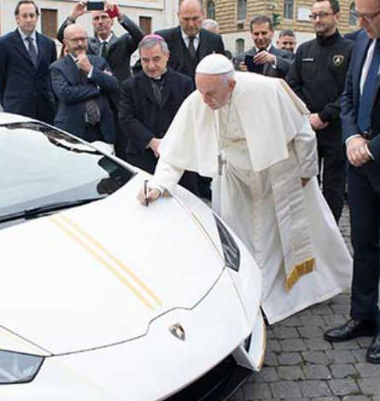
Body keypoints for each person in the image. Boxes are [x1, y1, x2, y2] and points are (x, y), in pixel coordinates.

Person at [138, 54, 352, 324]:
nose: (205, 101)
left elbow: (304, 133)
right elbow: (173, 151)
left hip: (277, 173)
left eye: (211, 94)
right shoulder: (200, 99)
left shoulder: (268, 90)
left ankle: (301, 292)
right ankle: (251, 293)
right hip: (235, 178)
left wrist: (306, 173)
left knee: (281, 236)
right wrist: (159, 185)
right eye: (201, 92)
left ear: (231, 84)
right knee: (240, 238)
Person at [324, 0, 380, 364]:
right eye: (358, 16)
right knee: (364, 244)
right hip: (359, 160)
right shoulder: (363, 40)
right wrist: (352, 139)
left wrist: (373, 147)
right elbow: (349, 95)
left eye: (368, 17)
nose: (361, 24)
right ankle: (362, 316)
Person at [287, 0, 352, 223]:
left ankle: (330, 231)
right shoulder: (304, 50)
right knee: (305, 182)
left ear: (337, 16)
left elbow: (349, 92)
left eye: (322, 15)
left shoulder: (349, 50)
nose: (317, 20)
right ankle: (309, 228)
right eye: (313, 15)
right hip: (307, 129)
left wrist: (325, 115)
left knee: (333, 188)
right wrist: (308, 115)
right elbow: (292, 86)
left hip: (335, 130)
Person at [154, 0, 226, 200]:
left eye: (195, 18)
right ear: (178, 16)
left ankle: (204, 187)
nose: (191, 23)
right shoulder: (164, 37)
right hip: (173, 108)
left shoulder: (214, 40)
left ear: (203, 16)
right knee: (178, 150)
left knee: (205, 147)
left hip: (206, 107)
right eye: (186, 19)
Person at [57, 1, 144, 159]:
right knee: (99, 150)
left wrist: (119, 14)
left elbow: (140, 36)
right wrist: (73, 16)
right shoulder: (86, 43)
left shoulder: (124, 42)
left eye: (104, 17)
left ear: (111, 21)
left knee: (123, 147)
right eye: (96, 19)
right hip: (96, 104)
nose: (100, 22)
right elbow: (63, 36)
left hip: (119, 101)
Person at [118, 35, 199, 195]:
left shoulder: (184, 83)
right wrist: (152, 142)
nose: (151, 65)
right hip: (142, 156)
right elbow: (126, 118)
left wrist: (170, 143)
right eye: (145, 60)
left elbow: (191, 119)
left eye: (156, 59)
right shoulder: (129, 86)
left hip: (179, 157)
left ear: (167, 56)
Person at [50, 24, 118, 144]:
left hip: (101, 131)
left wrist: (90, 70)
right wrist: (96, 88)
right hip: (72, 131)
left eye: (83, 39)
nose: (80, 43)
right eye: (75, 40)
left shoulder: (99, 62)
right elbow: (66, 94)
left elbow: (113, 85)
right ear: (66, 42)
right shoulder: (57, 67)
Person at [0, 0, 57, 124]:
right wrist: (9, 102)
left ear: (37, 18)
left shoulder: (48, 44)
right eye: (24, 16)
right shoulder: (4, 44)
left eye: (32, 15)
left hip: (45, 110)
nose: (28, 20)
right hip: (17, 109)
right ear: (17, 18)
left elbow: (51, 76)